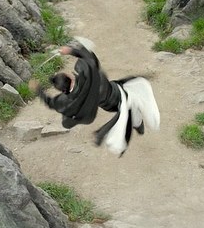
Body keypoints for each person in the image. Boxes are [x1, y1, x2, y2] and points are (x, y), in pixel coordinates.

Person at [28, 39, 159, 156]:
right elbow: (88, 55)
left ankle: (136, 126)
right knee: (133, 103)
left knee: (129, 109)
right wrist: (70, 51)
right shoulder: (88, 72)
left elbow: (50, 102)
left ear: (62, 90)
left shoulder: (67, 100)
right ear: (69, 76)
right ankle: (138, 125)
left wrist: (38, 89)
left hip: (107, 105)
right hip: (117, 93)